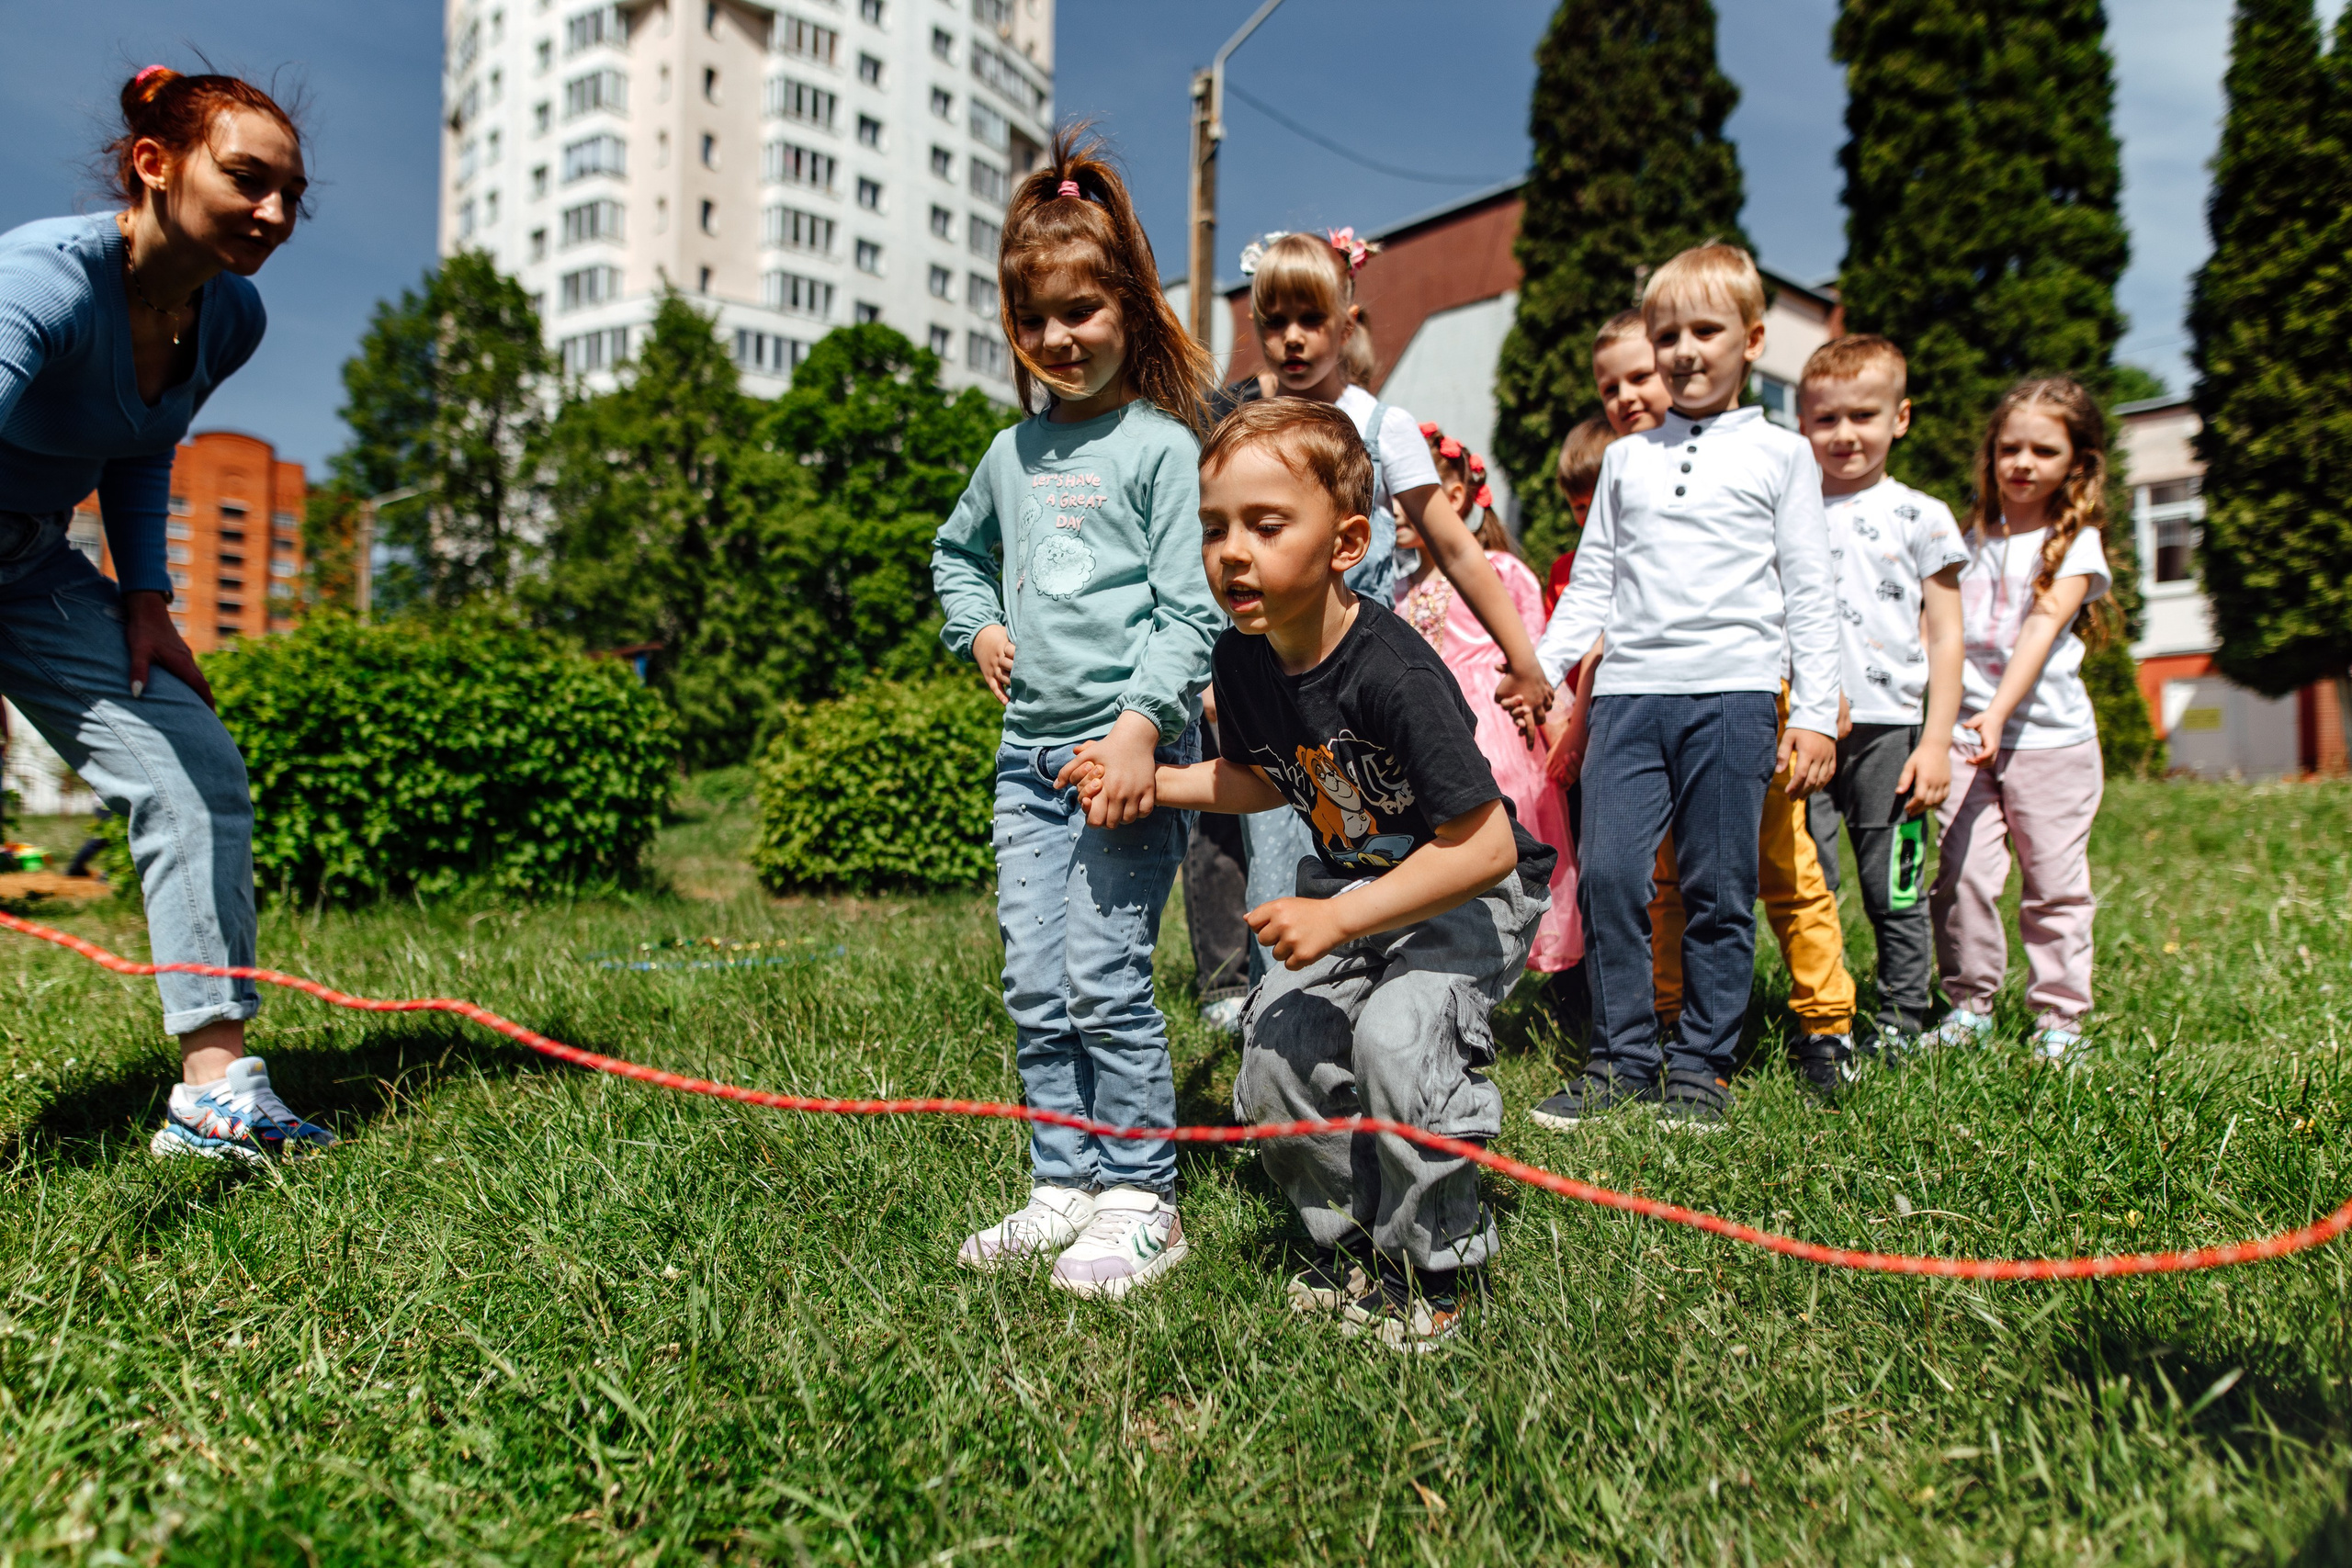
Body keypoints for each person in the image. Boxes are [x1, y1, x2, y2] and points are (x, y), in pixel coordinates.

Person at [1070, 398, 1552, 1349]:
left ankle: (1441, 1265)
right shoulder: (1243, 659)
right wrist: (1155, 782)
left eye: (1264, 525)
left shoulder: (1392, 672)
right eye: (1214, 529)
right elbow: (1263, 776)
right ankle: (1348, 1243)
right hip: (1363, 892)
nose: (1231, 552)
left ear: (1347, 543)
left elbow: (1489, 844)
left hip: (1465, 886)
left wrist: (1342, 918)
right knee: (1275, 1044)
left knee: (1400, 1040)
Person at [0, 67, 330, 1161]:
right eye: (247, 179)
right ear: (155, 164)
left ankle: (215, 1097)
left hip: (34, 564)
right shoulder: (39, 284)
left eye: (290, 194)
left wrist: (147, 601)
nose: (274, 214)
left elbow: (142, 444)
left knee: (195, 767)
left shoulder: (228, 314)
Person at [929, 129, 1223, 1298]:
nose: (1060, 337)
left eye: (1082, 309)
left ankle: (1141, 1196)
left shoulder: (1159, 449)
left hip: (1128, 759)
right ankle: (1062, 1177)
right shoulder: (1009, 454)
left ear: (1128, 307)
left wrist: (1142, 734)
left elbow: (1188, 608)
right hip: (1026, 760)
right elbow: (956, 557)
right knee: (1034, 977)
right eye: (1035, 316)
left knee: (1106, 974)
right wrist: (979, 625)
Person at [1528, 243, 1841, 1130]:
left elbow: (1810, 592)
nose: (1686, 350)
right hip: (1629, 696)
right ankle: (1622, 1056)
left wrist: (1814, 713)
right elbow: (1594, 580)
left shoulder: (1783, 456)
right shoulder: (1627, 460)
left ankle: (1701, 1065)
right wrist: (1544, 667)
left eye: (1707, 330)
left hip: (1735, 697)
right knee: (1614, 878)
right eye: (1668, 334)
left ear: (1751, 340)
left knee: (1718, 885)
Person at [1227, 230, 1553, 988]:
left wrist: (1525, 658)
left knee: (1389, 846)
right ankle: (1277, 1009)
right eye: (1275, 322)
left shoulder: (1381, 429)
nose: (1293, 340)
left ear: (1348, 323)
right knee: (1274, 856)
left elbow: (1458, 547)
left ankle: (1407, 988)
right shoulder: (1246, 429)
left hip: (1366, 696)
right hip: (1280, 692)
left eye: (1312, 320)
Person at [1927, 378, 2114, 1064]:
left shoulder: (2076, 545)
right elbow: (1933, 629)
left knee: (2055, 884)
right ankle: (1969, 1003)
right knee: (1963, 876)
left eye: (2044, 449)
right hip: (1961, 739)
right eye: (2010, 447)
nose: (2023, 463)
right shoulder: (1965, 538)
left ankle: (2059, 1017)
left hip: (2048, 740)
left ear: (2077, 463)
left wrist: (1996, 713)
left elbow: (2040, 628)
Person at [1798, 335, 1967, 1059]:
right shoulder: (1787, 509)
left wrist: (1935, 741)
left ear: (1900, 418)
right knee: (1813, 885)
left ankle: (1903, 1014)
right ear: (1803, 423)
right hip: (1806, 731)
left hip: (1893, 734)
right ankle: (1823, 1017)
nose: (1844, 434)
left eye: (1863, 415)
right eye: (1825, 418)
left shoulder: (1922, 516)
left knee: (1893, 882)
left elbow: (1947, 636)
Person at [1395, 424, 1580, 976]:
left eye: (1408, 498)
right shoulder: (1401, 588)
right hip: (1433, 730)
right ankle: (1460, 962)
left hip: (1497, 735)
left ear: (1451, 498)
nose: (1397, 512)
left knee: (1518, 843)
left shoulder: (1500, 572)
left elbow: (1538, 661)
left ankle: (1542, 965)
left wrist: (1561, 736)